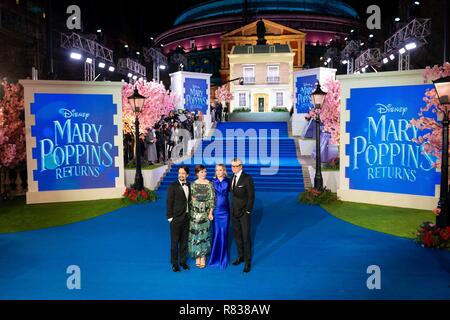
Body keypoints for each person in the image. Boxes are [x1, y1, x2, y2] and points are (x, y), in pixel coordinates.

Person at [230, 158, 254, 273]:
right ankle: (241, 257)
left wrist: (248, 211)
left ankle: (248, 262)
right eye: (232, 166)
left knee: (246, 238)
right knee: (237, 237)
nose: (233, 168)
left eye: (235, 166)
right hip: (234, 212)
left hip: (244, 213)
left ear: (241, 166)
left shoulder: (247, 178)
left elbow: (251, 197)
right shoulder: (232, 178)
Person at [189, 165, 215, 268]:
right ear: (197, 173)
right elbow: (191, 198)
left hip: (205, 213)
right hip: (194, 213)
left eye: (205, 172)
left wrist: (210, 212)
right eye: (202, 172)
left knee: (204, 235)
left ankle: (203, 256)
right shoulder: (193, 184)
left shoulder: (209, 184)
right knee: (196, 234)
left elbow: (212, 199)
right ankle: (197, 256)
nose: (204, 174)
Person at [166, 166, 191, 272]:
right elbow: (169, 202)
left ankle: (183, 261)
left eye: (183, 173)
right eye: (180, 173)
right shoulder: (173, 186)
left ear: (187, 175)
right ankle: (175, 263)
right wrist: (170, 217)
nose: (181, 175)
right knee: (175, 242)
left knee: (184, 241)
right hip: (175, 218)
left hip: (187, 217)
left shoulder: (189, 185)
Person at [209, 164, 231, 269]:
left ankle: (223, 257)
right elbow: (210, 198)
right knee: (217, 233)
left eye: (220, 170)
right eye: (217, 170)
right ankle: (215, 257)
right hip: (216, 211)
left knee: (224, 233)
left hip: (225, 211)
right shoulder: (212, 182)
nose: (218, 172)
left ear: (224, 171)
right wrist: (210, 212)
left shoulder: (229, 181)